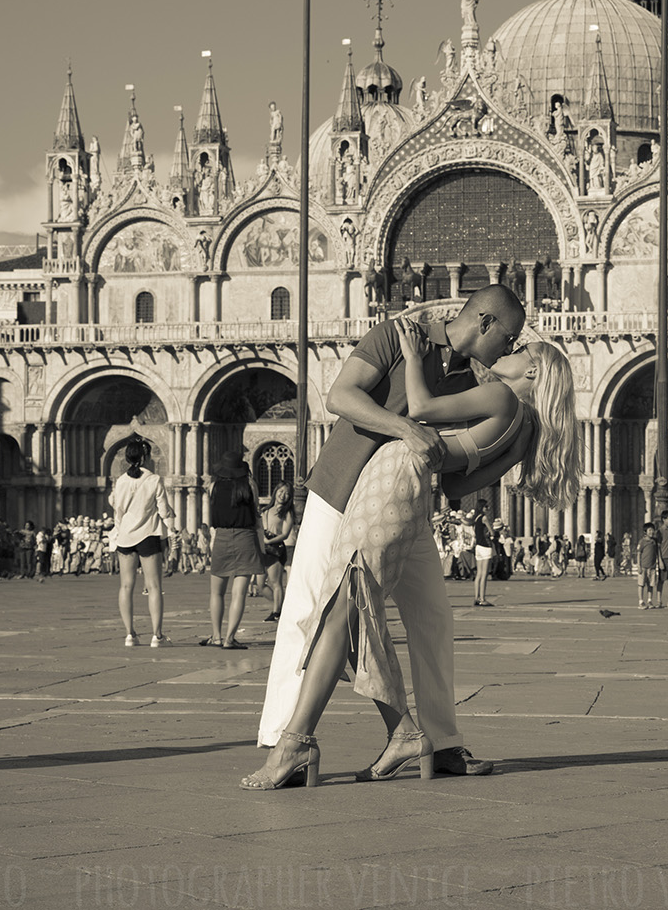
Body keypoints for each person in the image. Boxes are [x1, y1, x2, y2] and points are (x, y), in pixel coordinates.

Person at [243, 317, 578, 790]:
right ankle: (292, 733)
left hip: (395, 497)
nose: (513, 346)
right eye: (510, 337)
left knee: (402, 616)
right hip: (345, 487)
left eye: (518, 345)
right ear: (484, 322)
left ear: (535, 372)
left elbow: (430, 427)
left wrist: (424, 411)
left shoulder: (477, 381)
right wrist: (419, 429)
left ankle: (423, 740)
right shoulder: (396, 336)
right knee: (317, 610)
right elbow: (341, 397)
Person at [110, 438, 175, 647]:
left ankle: (130, 634)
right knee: (154, 586)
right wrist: (171, 520)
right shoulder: (154, 480)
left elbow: (117, 509)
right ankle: (157, 636)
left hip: (126, 537)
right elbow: (164, 510)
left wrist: (121, 529)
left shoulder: (121, 481)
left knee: (126, 586)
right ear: (145, 457)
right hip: (148, 535)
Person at [205, 450, 263, 649]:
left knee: (216, 593)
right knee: (239, 594)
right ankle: (230, 639)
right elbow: (256, 516)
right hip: (246, 537)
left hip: (222, 536)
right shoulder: (250, 485)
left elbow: (211, 517)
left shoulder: (212, 487)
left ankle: (216, 636)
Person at [259, 483, 295, 622]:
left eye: (286, 493)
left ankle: (276, 612)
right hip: (263, 548)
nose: (282, 495)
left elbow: (285, 534)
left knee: (275, 582)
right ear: (275, 492)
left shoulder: (287, 512)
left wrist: (269, 541)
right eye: (280, 491)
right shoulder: (266, 509)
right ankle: (283, 606)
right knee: (260, 584)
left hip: (276, 548)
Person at [472, 500, 494, 607]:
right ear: (482, 507)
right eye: (486, 506)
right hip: (485, 547)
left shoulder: (476, 518)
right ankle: (483, 598)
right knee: (484, 574)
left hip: (478, 547)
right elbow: (492, 531)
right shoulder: (484, 518)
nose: (488, 508)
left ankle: (476, 598)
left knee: (479, 574)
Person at [635, 522, 659, 609]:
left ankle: (649, 600)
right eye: (649, 530)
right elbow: (638, 553)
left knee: (651, 585)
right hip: (643, 567)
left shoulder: (654, 541)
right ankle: (641, 601)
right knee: (641, 584)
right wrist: (639, 566)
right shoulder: (642, 541)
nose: (651, 532)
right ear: (645, 531)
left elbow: (656, 553)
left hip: (652, 567)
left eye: (653, 530)